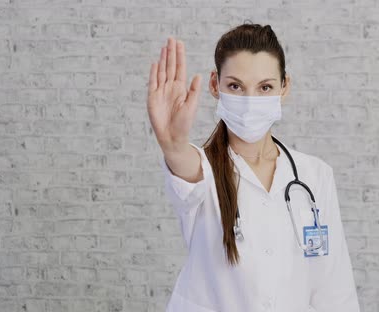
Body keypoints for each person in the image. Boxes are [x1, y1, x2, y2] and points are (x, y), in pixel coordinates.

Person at [147, 22, 360, 312]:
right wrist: (172, 144)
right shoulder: (202, 169)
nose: (250, 101)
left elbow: (334, 290)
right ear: (214, 85)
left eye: (265, 87)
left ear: (285, 87)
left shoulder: (314, 175)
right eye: (235, 86)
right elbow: (184, 167)